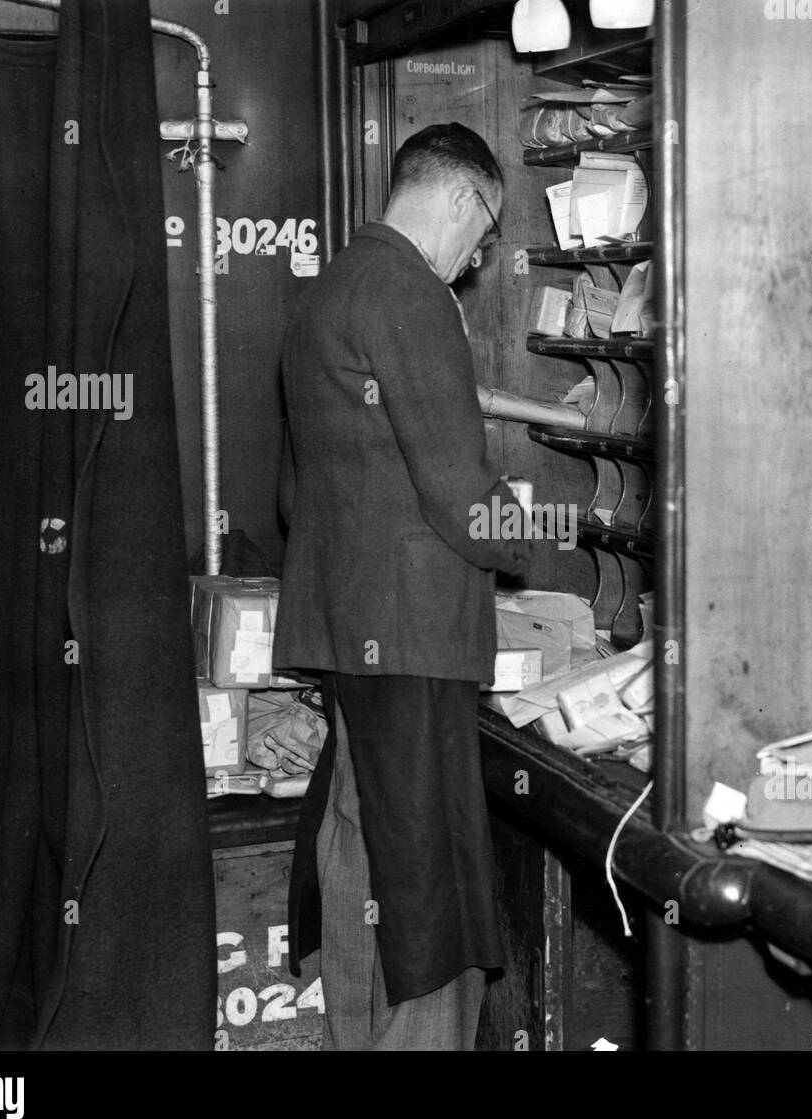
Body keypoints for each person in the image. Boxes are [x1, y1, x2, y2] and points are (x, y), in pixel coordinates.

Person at [274, 122, 534, 1050]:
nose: (478, 260)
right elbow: (462, 494)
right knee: (429, 884)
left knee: (358, 846)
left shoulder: (331, 288)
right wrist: (546, 534)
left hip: (349, 629)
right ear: (465, 199)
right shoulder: (412, 294)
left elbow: (293, 490)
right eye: (487, 232)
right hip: (415, 636)